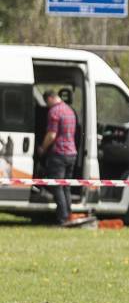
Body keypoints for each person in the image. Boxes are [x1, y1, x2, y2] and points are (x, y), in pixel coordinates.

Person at [39, 90, 77, 226]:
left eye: (46, 102)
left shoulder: (54, 111)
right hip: (72, 153)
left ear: (50, 98)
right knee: (66, 187)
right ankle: (69, 215)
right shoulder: (69, 110)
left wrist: (42, 148)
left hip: (59, 154)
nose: (47, 105)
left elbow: (52, 135)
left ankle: (62, 218)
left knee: (57, 186)